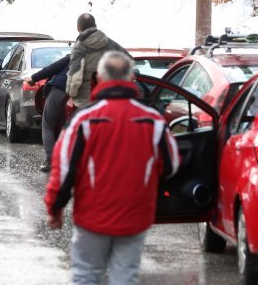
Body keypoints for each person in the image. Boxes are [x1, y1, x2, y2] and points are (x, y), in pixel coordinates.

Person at [44, 51, 180, 284]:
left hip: (92, 216)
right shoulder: (153, 120)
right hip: (135, 216)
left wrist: (55, 208)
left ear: (99, 79)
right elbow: (171, 166)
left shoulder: (83, 120)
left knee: (86, 275)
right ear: (131, 79)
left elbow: (64, 169)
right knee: (125, 276)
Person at [66, 13, 128, 109]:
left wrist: (71, 93)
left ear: (78, 28)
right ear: (95, 25)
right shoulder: (111, 44)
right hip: (109, 100)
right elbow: (130, 62)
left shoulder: (79, 47)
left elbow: (75, 78)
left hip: (86, 103)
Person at [26, 53, 70, 171]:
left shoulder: (74, 54)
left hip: (61, 89)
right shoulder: (102, 57)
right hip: (85, 96)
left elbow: (52, 68)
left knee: (48, 125)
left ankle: (50, 160)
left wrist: (33, 78)